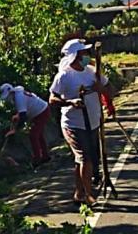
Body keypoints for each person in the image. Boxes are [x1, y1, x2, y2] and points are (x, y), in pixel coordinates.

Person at [49, 39, 113, 205]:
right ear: (75, 56)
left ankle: (79, 192)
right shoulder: (64, 76)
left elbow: (108, 89)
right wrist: (71, 102)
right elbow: (52, 98)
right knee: (85, 157)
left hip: (93, 122)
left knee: (84, 158)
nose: (86, 56)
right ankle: (88, 195)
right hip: (74, 124)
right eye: (83, 53)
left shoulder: (91, 71)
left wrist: (104, 94)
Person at [0, 83, 52, 167]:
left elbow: (23, 117)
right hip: (38, 113)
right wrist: (17, 116)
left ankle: (37, 160)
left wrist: (14, 130)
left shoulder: (18, 97)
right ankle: (45, 156)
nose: (7, 99)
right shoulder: (17, 95)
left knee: (33, 135)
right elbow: (23, 110)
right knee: (39, 135)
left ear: (11, 92)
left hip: (42, 112)